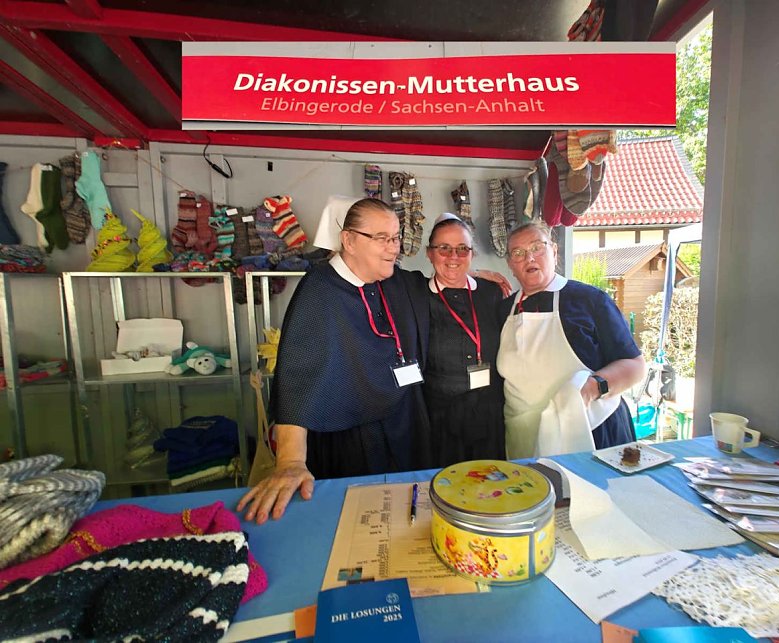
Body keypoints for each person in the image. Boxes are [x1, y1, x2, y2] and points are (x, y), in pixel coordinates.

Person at [238, 198, 431, 524]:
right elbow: (296, 380)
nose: (393, 247)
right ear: (349, 240)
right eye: (381, 238)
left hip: (401, 427)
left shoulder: (394, 281)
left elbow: (431, 285)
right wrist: (291, 462)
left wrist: (475, 279)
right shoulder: (319, 291)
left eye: (396, 237)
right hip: (352, 439)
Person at [497, 221, 645, 458]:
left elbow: (635, 366)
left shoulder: (590, 300)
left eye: (537, 247)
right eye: (518, 253)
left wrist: (594, 387)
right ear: (510, 265)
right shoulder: (503, 310)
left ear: (554, 251)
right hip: (522, 436)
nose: (529, 258)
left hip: (591, 429)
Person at [423, 213, 505, 465]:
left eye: (462, 249)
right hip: (439, 416)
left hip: (490, 412)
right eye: (444, 249)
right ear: (429, 253)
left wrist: (477, 273)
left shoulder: (491, 293)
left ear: (472, 254)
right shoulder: (416, 294)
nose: (453, 257)